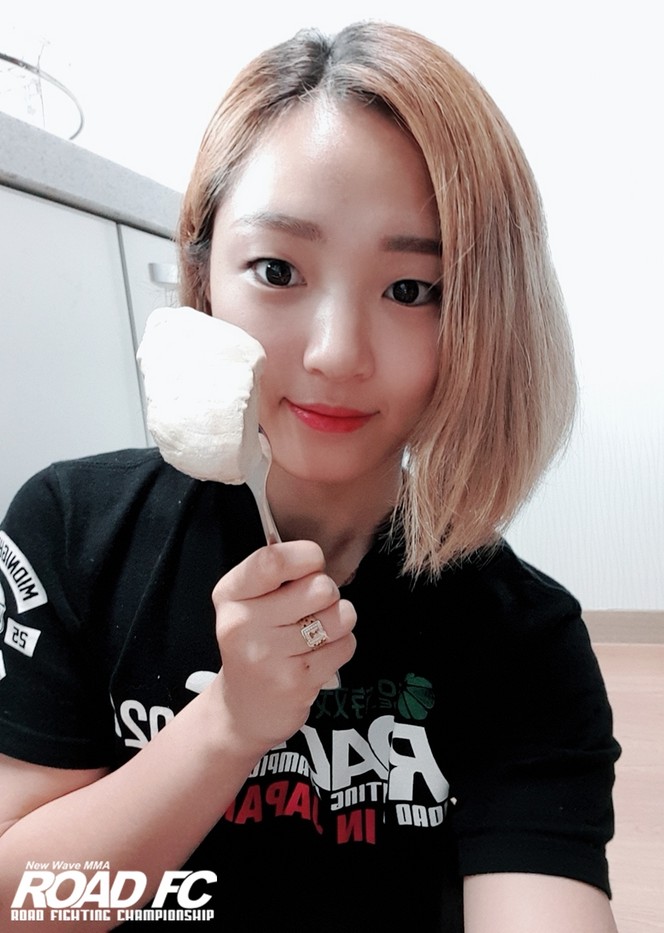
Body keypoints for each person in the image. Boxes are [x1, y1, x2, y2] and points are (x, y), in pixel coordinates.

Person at [0, 21, 621, 932]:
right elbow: (21, 900)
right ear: (203, 275)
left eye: (411, 289)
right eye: (278, 269)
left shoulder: (522, 639)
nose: (335, 353)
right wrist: (227, 725)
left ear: (483, 320)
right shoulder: (69, 533)